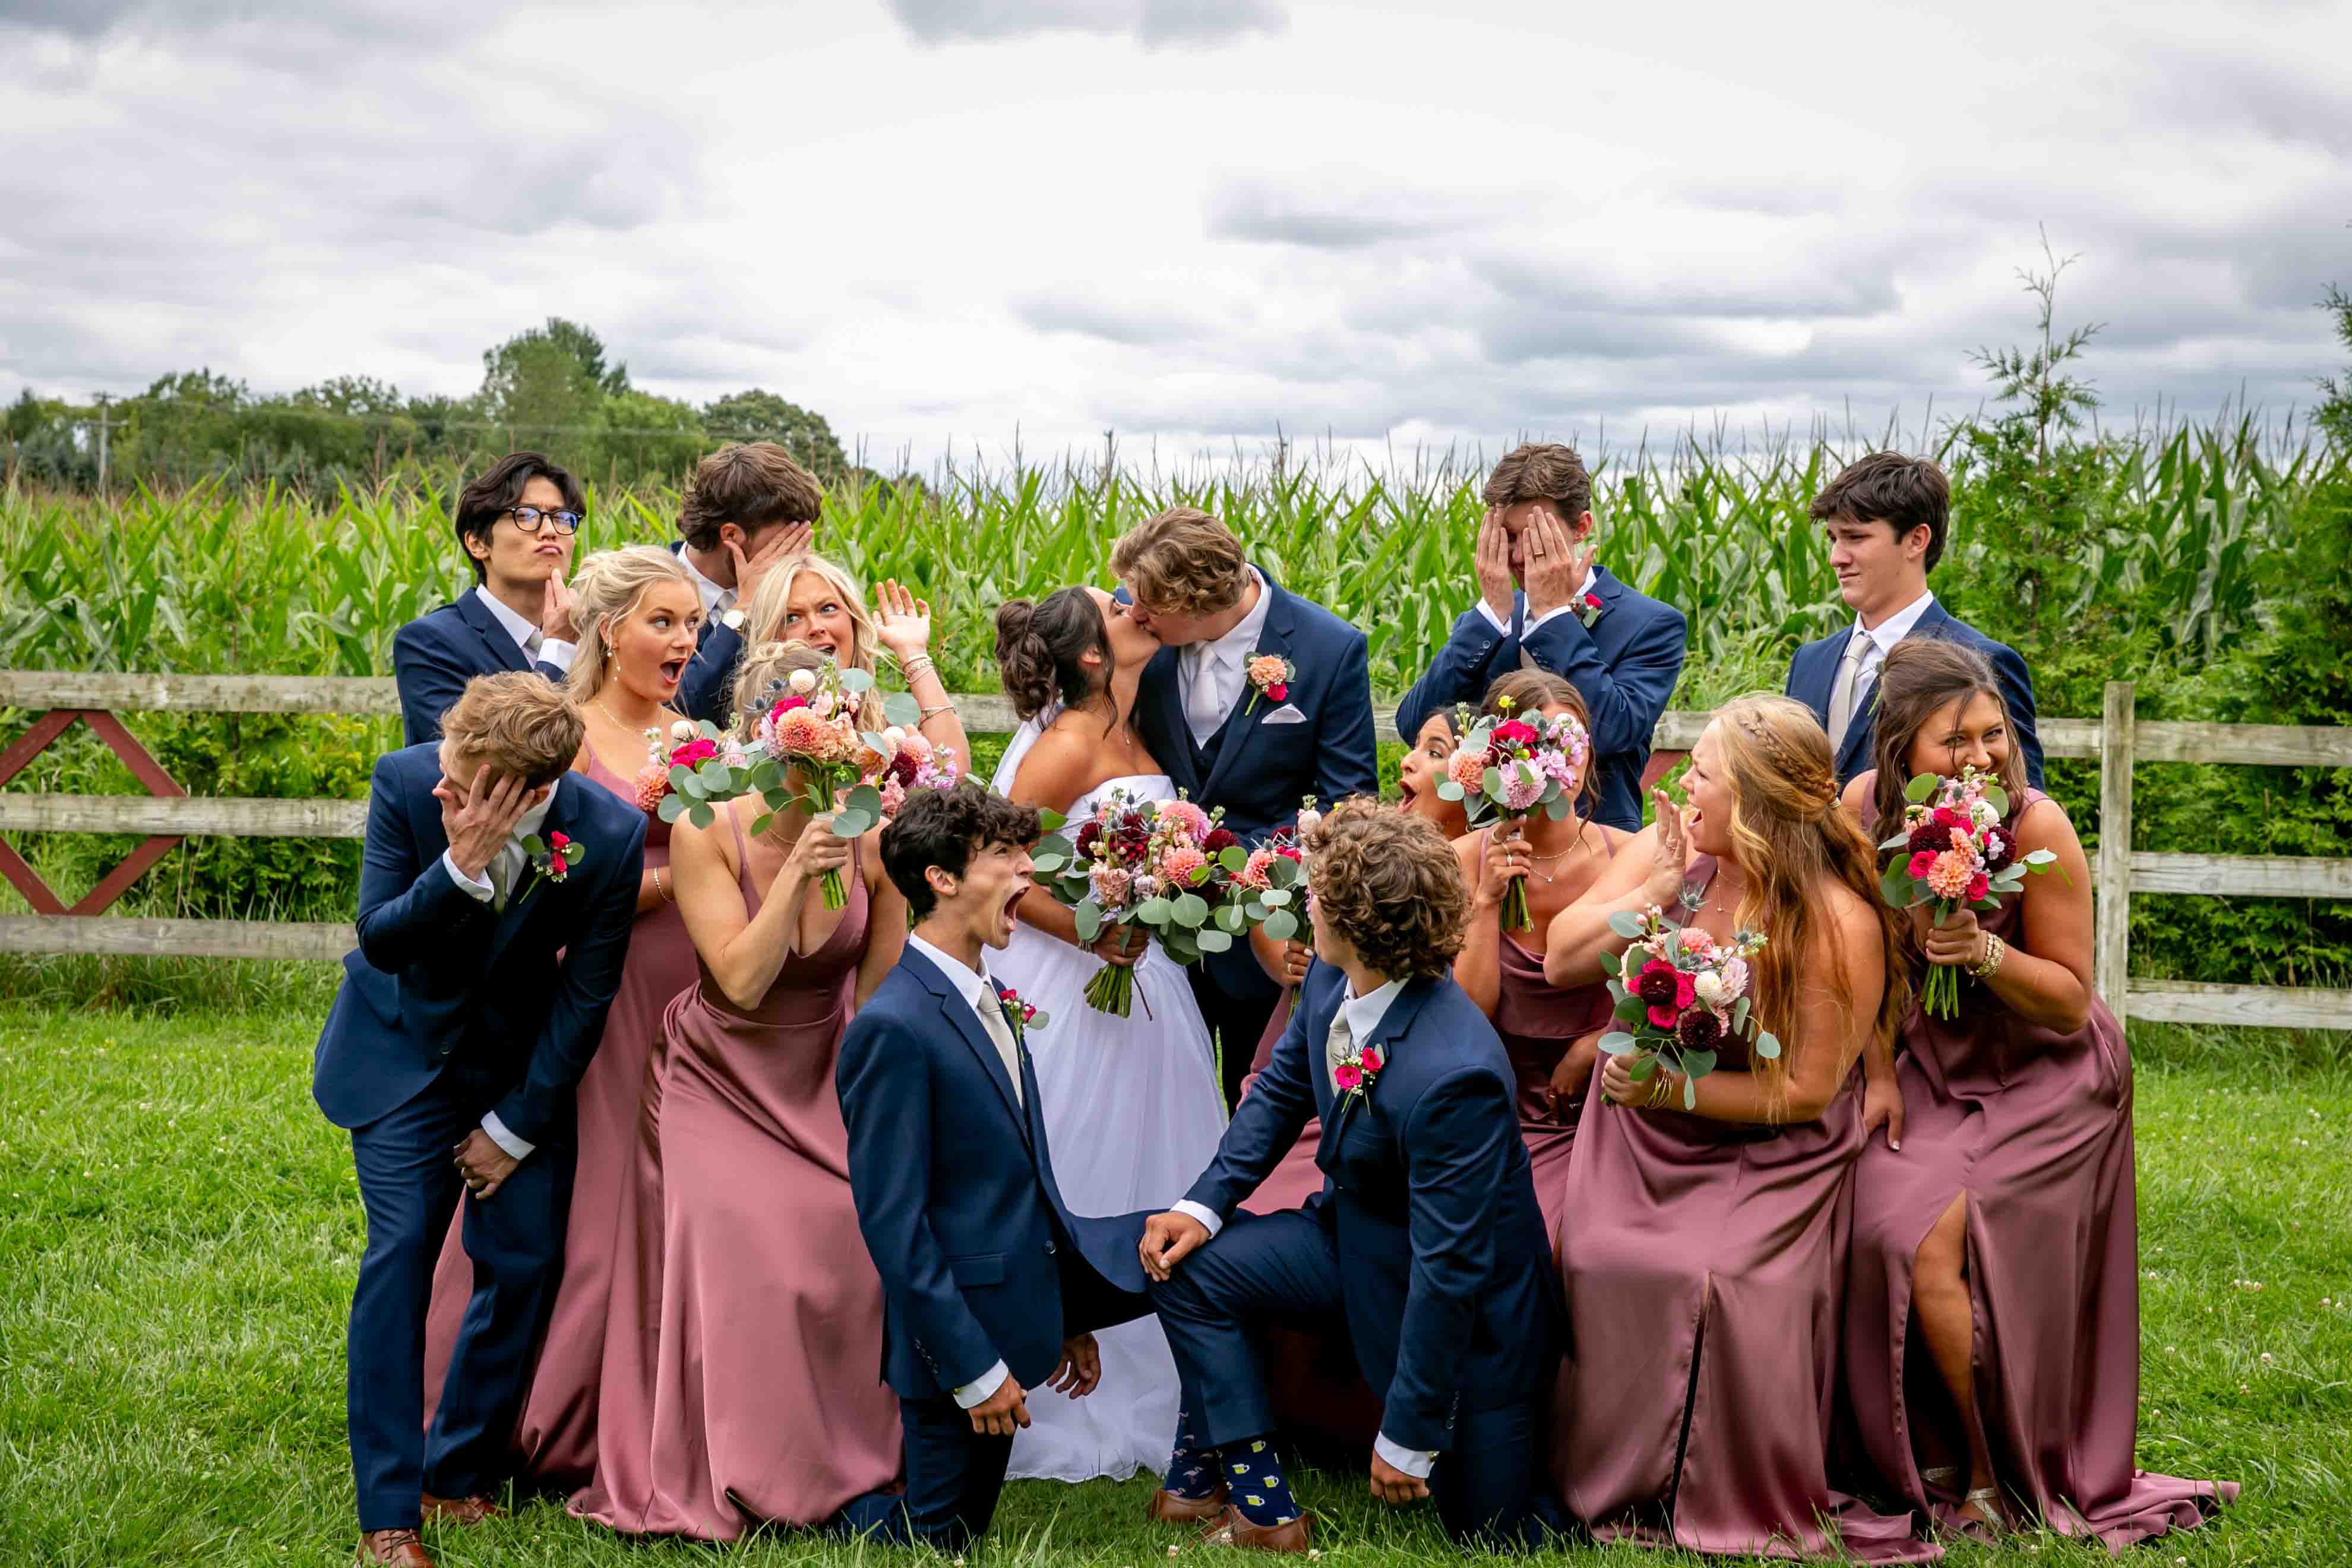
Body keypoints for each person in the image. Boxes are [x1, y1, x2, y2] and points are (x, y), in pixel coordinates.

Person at [1836, 640, 2234, 1542]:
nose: (1981, 757)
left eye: (1993, 734)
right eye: (1954, 741)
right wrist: (1877, 1078)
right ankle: (1910, 1445)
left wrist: (1981, 950)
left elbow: (2068, 1000)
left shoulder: (2036, 824)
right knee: (1866, 1214)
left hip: (2048, 1078)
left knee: (1935, 1238)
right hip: (1929, 1069)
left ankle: (1993, 1471)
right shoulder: (1859, 810)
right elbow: (1852, 961)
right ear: (1897, 746)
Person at [1537, 694, 1930, 1562]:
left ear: (1752, 801)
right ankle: (1591, 1475)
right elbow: (1563, 951)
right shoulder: (1676, 848)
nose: (1685, 783)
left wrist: (1669, 1092)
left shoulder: (1833, 919)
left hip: (1770, 1148)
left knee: (1715, 1276)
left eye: (1705, 771)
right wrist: (1657, 886)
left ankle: (1709, 1485)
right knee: (1598, 1256)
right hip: (1638, 1134)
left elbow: (1802, 1092)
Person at [1139, 799, 1562, 1553]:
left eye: (1318, 890)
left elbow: (1450, 1267)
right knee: (1188, 1271)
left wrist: (1406, 1432)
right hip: (1350, 1239)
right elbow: (1277, 1094)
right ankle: (1258, 1502)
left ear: (1357, 923)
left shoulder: (1453, 1073)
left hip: (1468, 1321)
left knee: (1493, 1535)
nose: (1303, 898)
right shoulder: (1334, 983)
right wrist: (1202, 1206)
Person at [573, 639, 909, 1538]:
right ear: (761, 738)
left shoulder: (873, 834)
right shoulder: (705, 826)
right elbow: (741, 981)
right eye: (804, 741)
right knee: (750, 1244)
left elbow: (875, 1006)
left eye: (840, 740)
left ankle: (846, 1468)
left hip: (820, 1070)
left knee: (852, 1235)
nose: (823, 759)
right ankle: (740, 1473)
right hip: (717, 1073)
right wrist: (795, 871)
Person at [313, 673, 644, 1568]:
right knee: (402, 1251)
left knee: (525, 1260)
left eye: (464, 778)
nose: (439, 782)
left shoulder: (609, 837)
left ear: (532, 792)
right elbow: (381, 936)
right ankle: (388, 1514)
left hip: (514, 1070)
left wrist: (513, 1127)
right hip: (399, 1057)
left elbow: (584, 1001)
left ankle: (454, 1471)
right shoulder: (404, 782)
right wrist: (458, 868)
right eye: (450, 759)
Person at [416, 548, 705, 1485]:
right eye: (663, 622)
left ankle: (649, 1396)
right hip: (595, 988)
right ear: (608, 630)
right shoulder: (566, 736)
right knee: (592, 1193)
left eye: (693, 623)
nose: (684, 640)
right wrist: (673, 884)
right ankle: (545, 1407)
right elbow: (549, 882)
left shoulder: (692, 730)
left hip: (686, 991)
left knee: (666, 1193)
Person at [833, 786, 1156, 1552]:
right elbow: (894, 1225)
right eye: (1006, 857)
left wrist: (1063, 1314)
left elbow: (1020, 1179)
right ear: (942, 879)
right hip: (955, 1353)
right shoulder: (894, 1027)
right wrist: (973, 1368)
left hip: (1009, 1324)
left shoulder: (985, 997)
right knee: (937, 1541)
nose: (1026, 874)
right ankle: (820, 1510)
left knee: (962, 1533)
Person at [988, 588, 1230, 1484]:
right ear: (1091, 654)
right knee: (1084, 1159)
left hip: (1149, 983)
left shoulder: (1135, 724)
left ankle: (1176, 1387)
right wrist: (1098, 931)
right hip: (1074, 981)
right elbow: (1003, 870)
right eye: (1119, 603)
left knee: (1158, 1157)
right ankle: (1059, 1378)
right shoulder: (1062, 748)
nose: (1137, 604)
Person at [1115, 506, 1380, 1107]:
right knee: (1148, 1104)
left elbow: (1348, 802)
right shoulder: (1136, 625)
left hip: (1263, 937)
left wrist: (1250, 875)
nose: (1134, 616)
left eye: (1150, 609)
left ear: (1197, 604)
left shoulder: (1327, 648)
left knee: (1255, 1097)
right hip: (1150, 934)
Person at [1393, 442, 1686, 832]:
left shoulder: (1651, 624)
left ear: (1581, 527)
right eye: (1508, 536)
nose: (1517, 555)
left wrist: (1553, 617)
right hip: (1484, 844)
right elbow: (1415, 723)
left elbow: (1613, 733)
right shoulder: (1489, 621)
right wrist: (1490, 616)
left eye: (1534, 536)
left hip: (1594, 843)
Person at [1449, 670, 1627, 1247]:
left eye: (1576, 743)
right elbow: (1468, 1017)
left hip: (1612, 1105)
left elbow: (1657, 990)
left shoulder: (1624, 856)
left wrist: (1598, 1043)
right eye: (1548, 744)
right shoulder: (1458, 861)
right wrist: (1485, 903)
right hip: (1496, 1110)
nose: (1565, 763)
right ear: (1504, 759)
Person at [1785, 451, 2044, 788]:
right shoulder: (1809, 661)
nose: (1836, 558)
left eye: (1856, 537)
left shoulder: (1982, 661)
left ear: (1917, 540)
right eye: (1834, 539)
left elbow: (2020, 804)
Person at [393, 453, 586, 745]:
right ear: (478, 543)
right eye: (526, 515)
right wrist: (558, 649)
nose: (550, 531)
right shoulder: (430, 644)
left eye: (562, 518)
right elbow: (475, 758)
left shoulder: (595, 636)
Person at [735, 549, 971, 764]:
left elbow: (953, 776)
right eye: (792, 618)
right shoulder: (760, 739)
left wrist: (913, 653)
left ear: (853, 621)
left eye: (827, 609)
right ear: (770, 636)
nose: (816, 627)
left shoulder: (887, 729)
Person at [668, 440, 820, 726]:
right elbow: (677, 708)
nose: (794, 552)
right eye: (783, 541)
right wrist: (744, 610)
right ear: (732, 536)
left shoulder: (793, 596)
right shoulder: (640, 589)